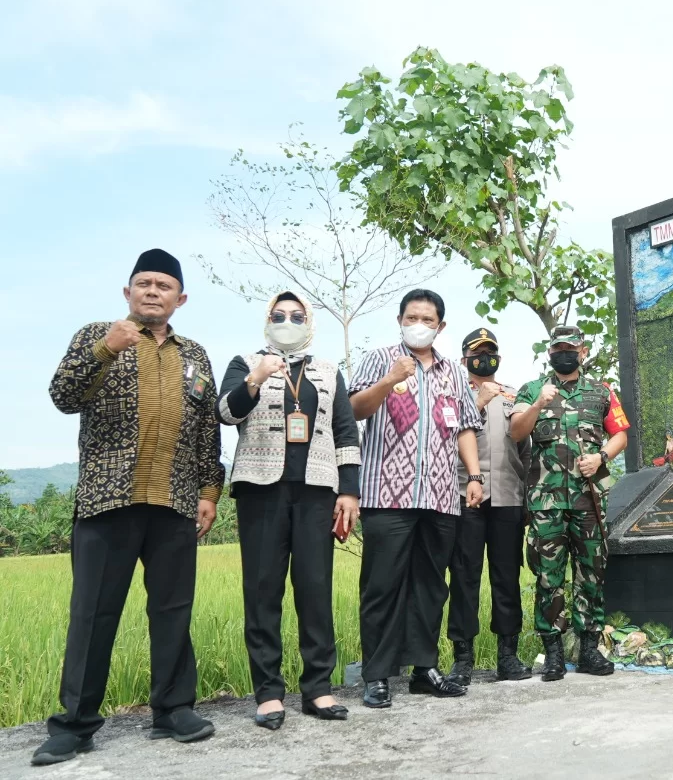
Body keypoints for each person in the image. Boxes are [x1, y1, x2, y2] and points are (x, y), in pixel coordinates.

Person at [36, 250, 223, 767]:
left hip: (174, 501)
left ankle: (173, 709)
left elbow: (208, 428)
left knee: (171, 610)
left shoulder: (195, 355)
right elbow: (62, 396)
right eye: (143, 283)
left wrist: (209, 492)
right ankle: (74, 724)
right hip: (107, 499)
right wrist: (103, 350)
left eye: (164, 285)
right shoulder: (99, 335)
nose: (152, 292)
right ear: (127, 292)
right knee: (93, 614)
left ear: (179, 299)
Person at [215, 291, 361, 729]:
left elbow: (345, 431)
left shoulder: (328, 371)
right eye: (279, 315)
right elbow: (225, 412)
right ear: (267, 320)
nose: (288, 320)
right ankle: (269, 694)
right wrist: (256, 377)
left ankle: (318, 687)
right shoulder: (245, 362)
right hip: (261, 491)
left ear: (309, 322)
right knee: (263, 591)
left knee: (315, 590)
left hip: (317, 490)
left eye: (297, 316)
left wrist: (349, 491)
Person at [348, 289, 485, 709]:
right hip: (387, 493)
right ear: (400, 320)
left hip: (441, 495)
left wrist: (474, 476)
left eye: (427, 319)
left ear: (440, 326)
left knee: (430, 587)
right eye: (412, 317)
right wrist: (390, 379)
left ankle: (424, 669)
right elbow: (353, 409)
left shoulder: (453, 373)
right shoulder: (377, 358)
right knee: (382, 585)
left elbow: (463, 426)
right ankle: (378, 675)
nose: (419, 325)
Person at [510, 325, 630, 681]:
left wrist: (601, 458)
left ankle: (590, 649)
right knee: (548, 578)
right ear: (550, 353)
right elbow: (516, 431)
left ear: (582, 351)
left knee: (591, 573)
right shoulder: (532, 389)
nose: (564, 353)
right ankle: (553, 653)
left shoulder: (601, 392)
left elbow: (620, 433)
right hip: (546, 503)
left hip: (588, 500)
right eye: (558, 348)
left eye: (570, 348)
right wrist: (537, 405)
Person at [444, 328, 533, 686]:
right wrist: (477, 400)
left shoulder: (514, 396)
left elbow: (524, 450)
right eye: (478, 353)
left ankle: (507, 656)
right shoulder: (451, 396)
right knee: (464, 578)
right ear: (464, 358)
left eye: (491, 352)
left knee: (506, 578)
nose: (485, 358)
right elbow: (441, 441)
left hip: (509, 497)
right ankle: (462, 658)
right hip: (465, 497)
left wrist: (528, 496)